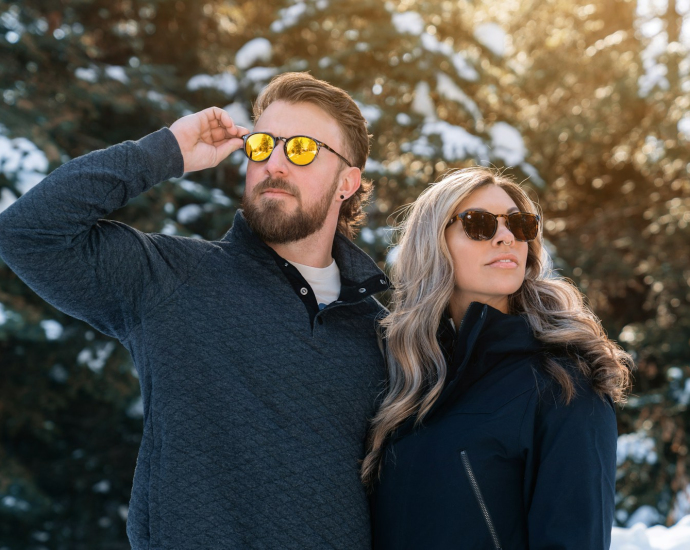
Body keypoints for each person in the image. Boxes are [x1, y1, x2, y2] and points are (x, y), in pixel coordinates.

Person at [0, 72, 390, 549]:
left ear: (347, 181)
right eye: (263, 145)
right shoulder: (173, 278)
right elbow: (29, 234)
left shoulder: (384, 335)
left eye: (303, 149)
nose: (276, 163)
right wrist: (166, 151)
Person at [362, 168, 633, 549]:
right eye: (479, 224)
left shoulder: (564, 384)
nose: (506, 236)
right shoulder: (405, 379)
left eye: (520, 224)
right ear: (433, 242)